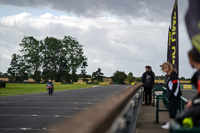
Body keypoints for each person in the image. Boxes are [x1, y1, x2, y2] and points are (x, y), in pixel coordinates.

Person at [160, 62, 182, 129]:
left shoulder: (173, 74)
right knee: (171, 109)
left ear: (169, 67)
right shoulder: (169, 75)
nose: (164, 69)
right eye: (163, 67)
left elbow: (175, 85)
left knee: (172, 110)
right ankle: (171, 123)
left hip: (174, 95)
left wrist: (171, 94)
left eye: (166, 67)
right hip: (173, 95)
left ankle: (171, 124)